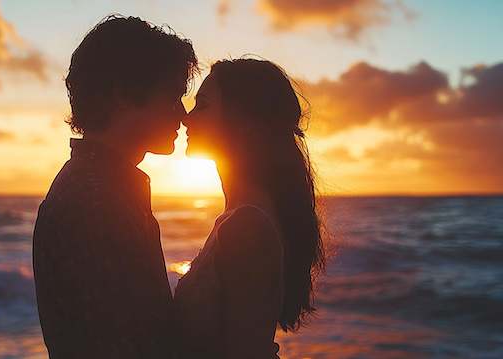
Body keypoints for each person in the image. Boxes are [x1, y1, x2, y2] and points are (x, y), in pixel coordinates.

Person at [32, 15, 197, 358]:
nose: (182, 114)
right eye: (171, 97)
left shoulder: (104, 187)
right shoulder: (95, 200)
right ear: (123, 95)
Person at [174, 58, 326, 358]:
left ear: (242, 120)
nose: (186, 119)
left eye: (202, 106)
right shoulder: (239, 217)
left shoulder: (248, 226)